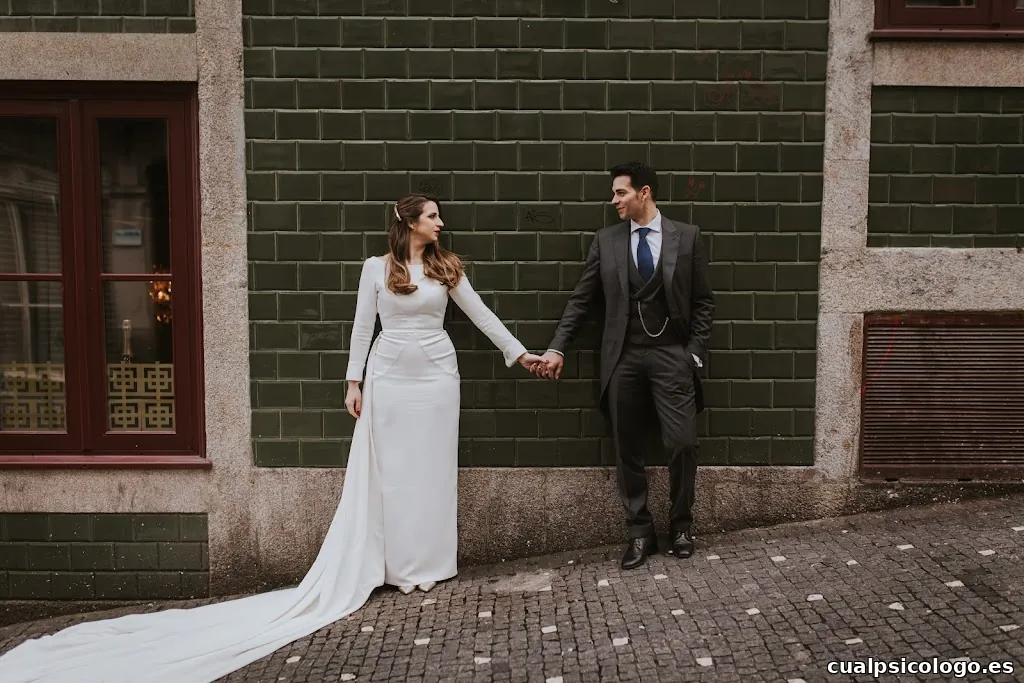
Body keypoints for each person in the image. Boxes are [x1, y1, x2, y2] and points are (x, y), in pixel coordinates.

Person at [0, 194, 549, 683]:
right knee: (396, 473)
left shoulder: (447, 268)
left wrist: (519, 353)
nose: (440, 222)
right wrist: (353, 381)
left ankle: (429, 565)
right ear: (408, 222)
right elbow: (363, 328)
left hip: (436, 378)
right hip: (389, 379)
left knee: (429, 471)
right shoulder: (375, 269)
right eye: (432, 216)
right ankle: (394, 567)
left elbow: (482, 316)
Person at [531, 161, 714, 571]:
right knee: (626, 446)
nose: (613, 200)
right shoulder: (607, 241)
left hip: (672, 355)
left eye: (620, 193)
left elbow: (704, 302)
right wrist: (558, 348)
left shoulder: (686, 237)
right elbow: (581, 300)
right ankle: (640, 533)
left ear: (643, 193)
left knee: (682, 442)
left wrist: (694, 352)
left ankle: (681, 526)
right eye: (614, 194)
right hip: (623, 357)